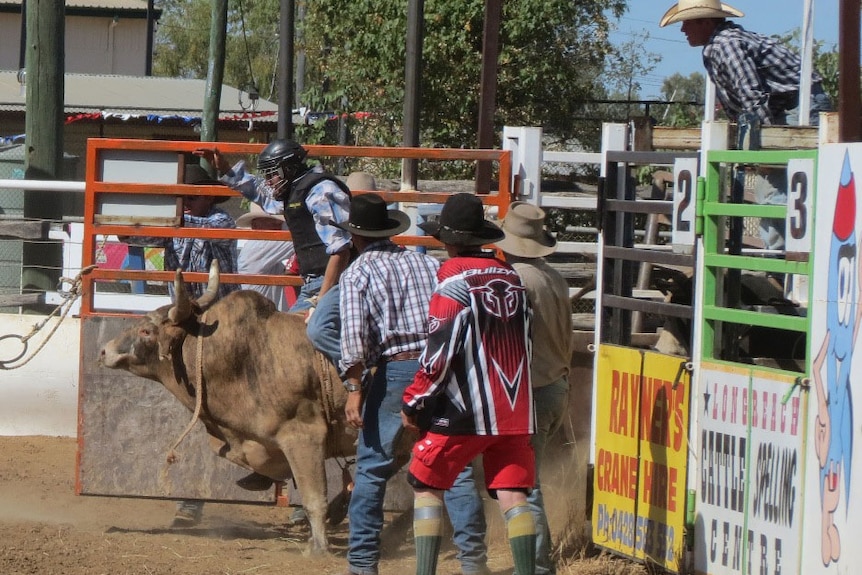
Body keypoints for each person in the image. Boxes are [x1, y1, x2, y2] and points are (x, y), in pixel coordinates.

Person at [336, 193, 489, 575]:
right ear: (388, 230)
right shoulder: (423, 262)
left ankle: (362, 564)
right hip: (445, 366)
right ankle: (473, 560)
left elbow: (354, 338)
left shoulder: (358, 272)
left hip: (398, 369)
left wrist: (354, 389)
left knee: (372, 468)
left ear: (355, 236)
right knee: (453, 466)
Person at [402, 193, 536, 575]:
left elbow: (438, 353)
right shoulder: (514, 280)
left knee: (425, 481)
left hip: (466, 410)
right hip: (515, 410)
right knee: (513, 492)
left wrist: (415, 400)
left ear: (448, 242)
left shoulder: (453, 285)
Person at [659, 0, 833, 251]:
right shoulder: (721, 44)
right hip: (789, 106)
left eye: (686, 22)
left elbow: (751, 93)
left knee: (783, 185)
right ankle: (781, 258)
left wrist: (757, 145)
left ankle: (787, 259)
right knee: (775, 186)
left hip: (797, 106)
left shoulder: (725, 44)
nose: (682, 29)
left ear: (706, 22)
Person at [122, 163, 240, 527]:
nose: (184, 202)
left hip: (221, 324)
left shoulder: (220, 221)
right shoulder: (180, 224)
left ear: (206, 196)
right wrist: (130, 220)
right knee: (196, 407)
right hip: (184, 324)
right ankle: (193, 498)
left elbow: (199, 231)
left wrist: (161, 216)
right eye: (180, 196)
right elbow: (134, 237)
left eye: (190, 195)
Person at [495, 202, 573, 575]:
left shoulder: (515, 280)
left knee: (524, 482)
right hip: (555, 382)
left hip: (532, 389)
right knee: (527, 479)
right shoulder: (554, 277)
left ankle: (538, 565)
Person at [194, 140, 352, 313]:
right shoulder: (295, 192)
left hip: (334, 282)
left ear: (289, 169)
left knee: (315, 331)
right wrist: (225, 168)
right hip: (316, 283)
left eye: (272, 175)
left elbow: (340, 248)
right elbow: (259, 191)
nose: (268, 182)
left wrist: (322, 298)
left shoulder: (321, 192)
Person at [236, 203, 296, 311]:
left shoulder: (262, 248)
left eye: (279, 222)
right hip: (264, 319)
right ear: (256, 225)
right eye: (273, 221)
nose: (279, 224)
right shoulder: (258, 247)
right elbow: (299, 239)